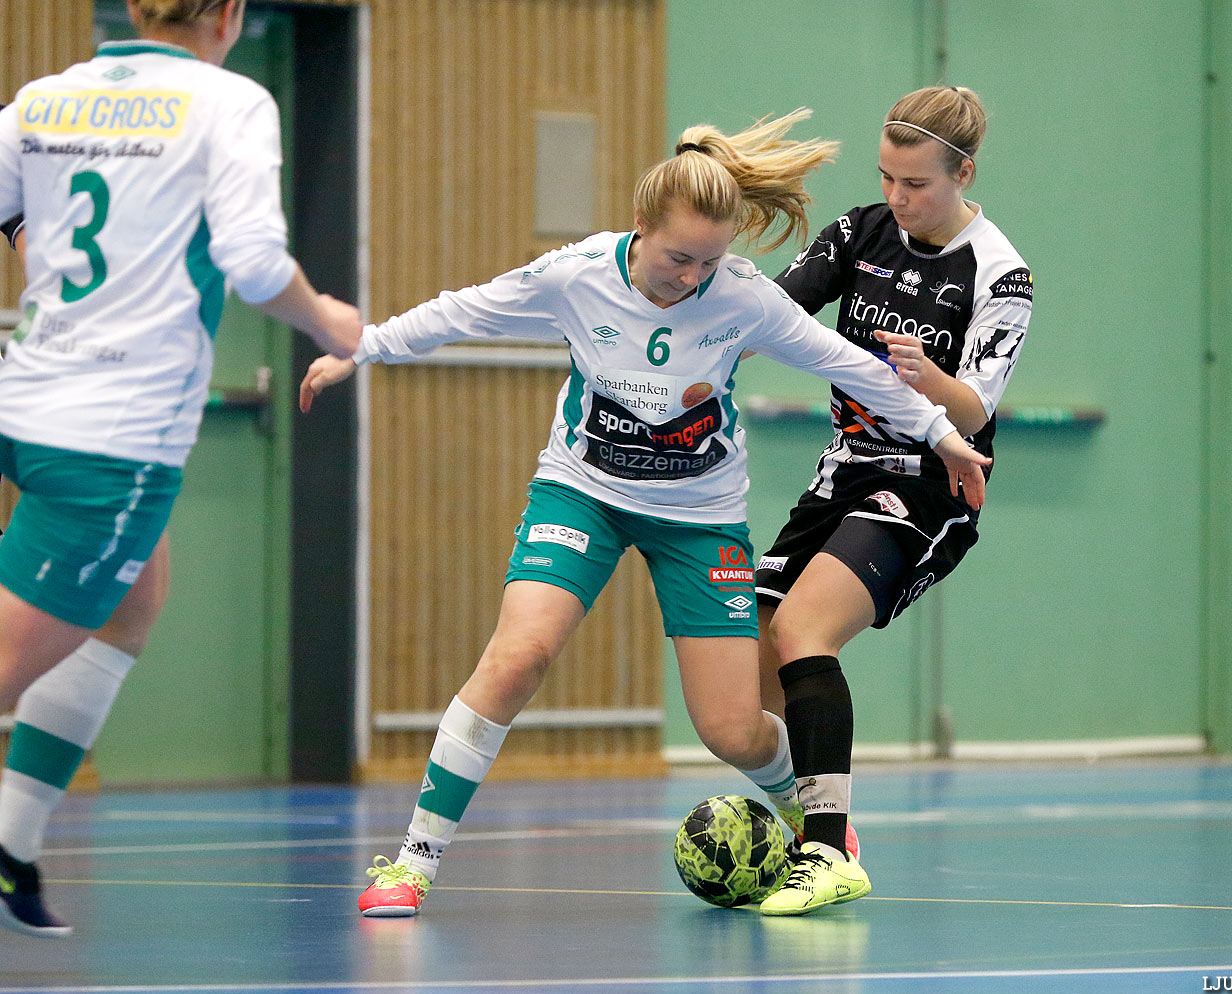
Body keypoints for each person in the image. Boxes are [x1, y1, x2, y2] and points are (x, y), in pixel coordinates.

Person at [299, 107, 990, 919]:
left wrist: (942, 433)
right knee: (518, 657)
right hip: (582, 493)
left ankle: (812, 811)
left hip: (699, 518)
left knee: (733, 730)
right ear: (638, 226)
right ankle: (412, 863)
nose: (692, 277)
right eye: (677, 258)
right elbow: (465, 311)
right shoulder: (577, 273)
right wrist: (363, 348)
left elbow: (851, 364)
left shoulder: (743, 298)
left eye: (709, 261)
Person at [0, 0, 362, 936]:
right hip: (110, 439)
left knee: (132, 600)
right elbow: (249, 263)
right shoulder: (228, 101)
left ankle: (10, 842)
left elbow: (15, 211)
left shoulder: (49, 96)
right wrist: (331, 320)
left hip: (31, 398)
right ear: (228, 13)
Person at [753, 86, 1032, 915]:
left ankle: (829, 852)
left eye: (916, 185)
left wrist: (928, 379)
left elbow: (978, 405)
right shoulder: (862, 230)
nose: (898, 199)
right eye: (888, 179)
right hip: (841, 472)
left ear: (964, 173)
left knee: (805, 631)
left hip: (930, 486)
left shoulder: (999, 271)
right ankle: (816, 822)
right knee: (755, 661)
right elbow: (774, 310)